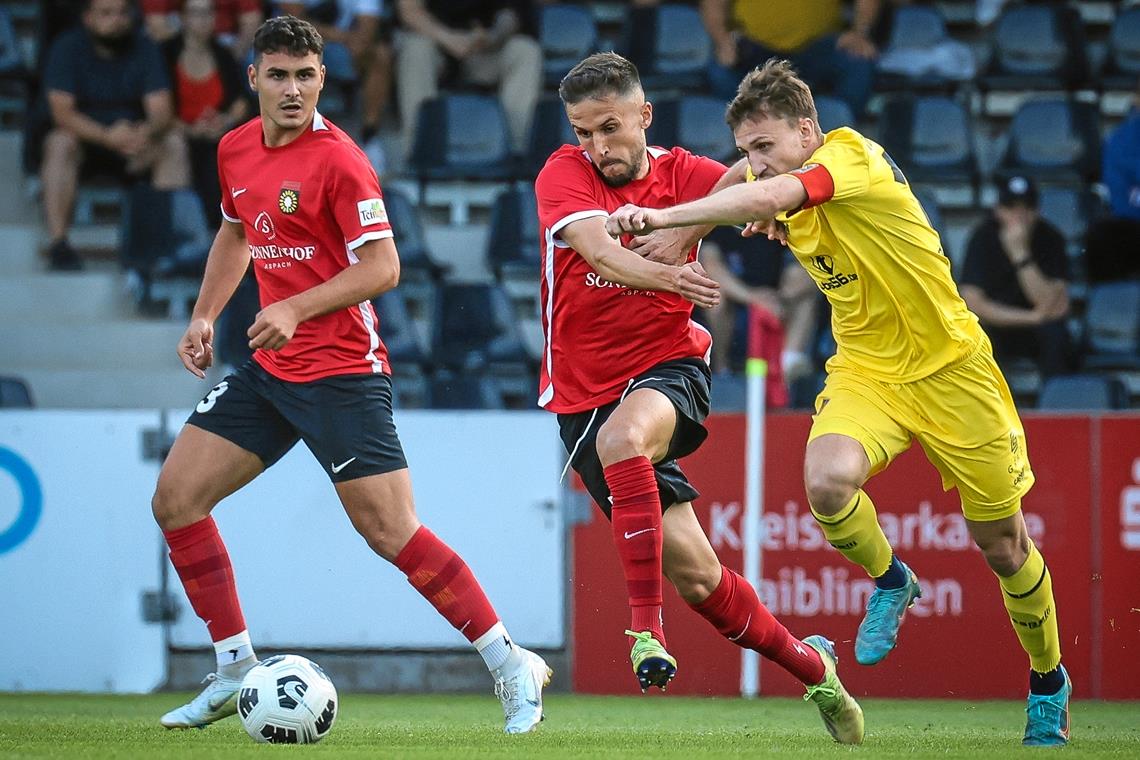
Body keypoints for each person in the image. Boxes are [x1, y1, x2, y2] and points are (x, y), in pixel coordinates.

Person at [606, 58, 1071, 747]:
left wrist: (670, 217)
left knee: (1003, 547)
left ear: (808, 130)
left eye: (767, 147)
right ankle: (893, 580)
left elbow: (764, 196)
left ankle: (1047, 681)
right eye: (747, 151)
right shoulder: (777, 181)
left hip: (954, 371)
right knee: (826, 483)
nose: (755, 164)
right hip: (868, 369)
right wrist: (693, 233)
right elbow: (750, 185)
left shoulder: (852, 157)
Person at [154, 16, 549, 735]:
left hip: (342, 372)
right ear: (254, 78)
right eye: (278, 75)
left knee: (391, 531)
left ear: (322, 79)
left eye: (306, 76)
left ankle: (509, 661)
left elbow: (384, 267)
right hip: (270, 368)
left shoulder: (340, 161)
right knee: (176, 499)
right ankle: (237, 667)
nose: (292, 89)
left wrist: (297, 307)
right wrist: (204, 314)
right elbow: (237, 231)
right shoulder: (235, 148)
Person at [536, 52, 863, 745]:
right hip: (582, 397)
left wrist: (691, 225)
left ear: (644, 116)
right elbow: (599, 253)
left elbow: (759, 176)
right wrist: (672, 275)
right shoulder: (563, 174)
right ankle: (815, 670)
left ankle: (645, 634)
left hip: (667, 369)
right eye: (584, 130)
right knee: (702, 582)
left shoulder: (685, 172)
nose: (598, 146)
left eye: (611, 128)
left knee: (623, 440)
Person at [40, 0, 190, 270]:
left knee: (173, 143)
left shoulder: (145, 47)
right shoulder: (67, 47)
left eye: (122, 13)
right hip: (86, 145)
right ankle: (58, 244)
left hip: (134, 146)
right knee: (58, 142)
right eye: (106, 14)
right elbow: (62, 113)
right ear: (88, 18)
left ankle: (164, 250)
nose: (117, 20)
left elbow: (161, 110)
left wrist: (143, 132)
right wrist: (106, 136)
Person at [959, 176, 1073, 379]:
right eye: (1011, 207)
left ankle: (1054, 404)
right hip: (1000, 325)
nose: (1019, 216)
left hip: (1036, 332)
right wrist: (1032, 318)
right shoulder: (983, 237)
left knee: (1058, 337)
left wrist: (1020, 254)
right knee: (977, 337)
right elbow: (972, 304)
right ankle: (994, 408)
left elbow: (1056, 306)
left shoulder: (1051, 238)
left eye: (1027, 208)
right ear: (998, 210)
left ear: (1037, 211)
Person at [395, 0, 541, 155]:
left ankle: (514, 149)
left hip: (482, 49)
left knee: (525, 50)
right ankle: (418, 148)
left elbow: (510, 13)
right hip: (436, 46)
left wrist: (493, 36)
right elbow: (409, 11)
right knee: (416, 49)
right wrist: (449, 38)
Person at [699, 0, 881, 119]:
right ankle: (744, 140)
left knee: (858, 63)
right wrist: (722, 40)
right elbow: (713, 4)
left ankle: (839, 139)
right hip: (753, 47)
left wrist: (859, 33)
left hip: (818, 47)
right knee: (720, 70)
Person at [161, 0, 251, 228]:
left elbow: (241, 100)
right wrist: (190, 129)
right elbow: (156, 105)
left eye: (208, 12)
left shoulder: (224, 55)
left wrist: (225, 120)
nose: (203, 19)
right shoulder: (164, 54)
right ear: (182, 18)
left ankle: (223, 232)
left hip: (217, 134)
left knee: (224, 153)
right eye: (196, 13)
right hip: (175, 132)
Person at [279, 0, 393, 174]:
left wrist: (353, 41)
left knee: (379, 55)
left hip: (339, 49)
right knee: (293, 54)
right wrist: (346, 37)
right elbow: (294, 22)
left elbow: (367, 30)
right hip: (291, 46)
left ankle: (369, 136)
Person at [699, 225, 817, 380]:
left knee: (805, 288)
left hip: (776, 298)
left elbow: (805, 267)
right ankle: (721, 371)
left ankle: (788, 366)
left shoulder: (776, 218)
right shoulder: (719, 223)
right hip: (735, 299)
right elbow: (711, 267)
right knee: (714, 297)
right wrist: (754, 298)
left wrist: (780, 296)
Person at [143, 0, 263, 61]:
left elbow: (251, 20)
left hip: (229, 41)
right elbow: (156, 23)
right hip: (177, 38)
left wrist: (231, 57)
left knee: (254, 61)